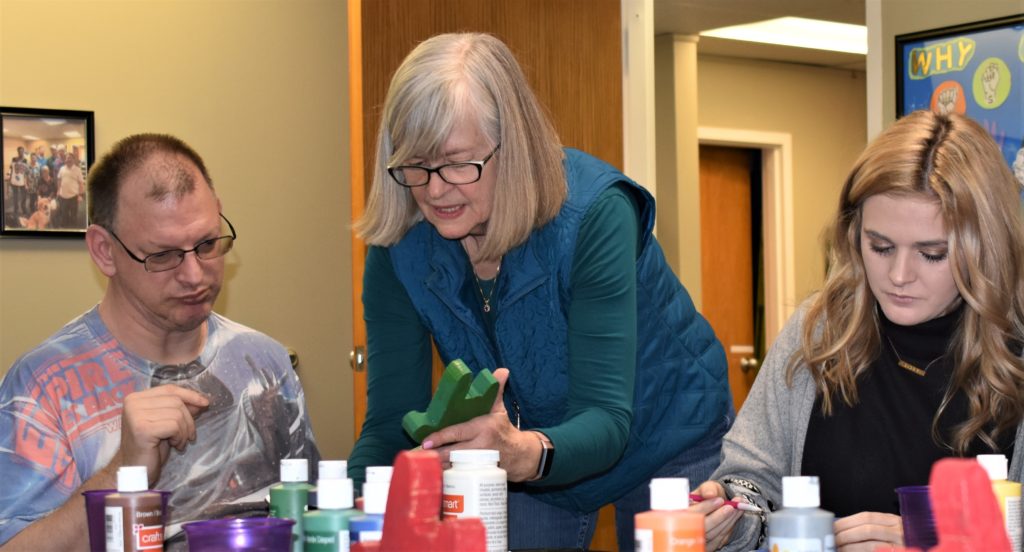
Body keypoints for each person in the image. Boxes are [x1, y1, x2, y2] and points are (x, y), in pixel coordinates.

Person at [348, 32, 733, 550]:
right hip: (520, 451)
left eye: (458, 162)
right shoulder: (400, 245)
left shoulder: (595, 216)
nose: (434, 190)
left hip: (664, 433)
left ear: (514, 145)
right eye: (415, 165)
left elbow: (606, 418)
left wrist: (521, 452)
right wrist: (351, 507)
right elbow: (392, 421)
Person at [694, 110, 1024, 551]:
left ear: (987, 245)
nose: (899, 275)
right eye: (880, 246)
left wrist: (932, 540)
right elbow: (754, 481)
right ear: (854, 236)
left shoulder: (1015, 351)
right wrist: (731, 516)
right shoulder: (818, 331)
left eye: (931, 254)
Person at [0, 133, 319, 549]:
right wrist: (122, 473)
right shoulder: (44, 386)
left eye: (207, 244)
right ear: (104, 251)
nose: (194, 274)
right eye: (163, 255)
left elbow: (315, 525)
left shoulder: (267, 364)